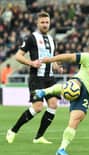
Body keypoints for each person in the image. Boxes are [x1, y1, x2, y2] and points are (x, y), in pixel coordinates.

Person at [6, 11, 62, 144]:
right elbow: (18, 56)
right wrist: (31, 63)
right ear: (37, 23)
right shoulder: (31, 38)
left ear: (50, 23)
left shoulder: (52, 40)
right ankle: (13, 130)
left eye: (47, 22)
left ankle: (39, 137)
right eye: (42, 22)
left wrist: (56, 66)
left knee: (53, 105)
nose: (45, 24)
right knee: (37, 107)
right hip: (36, 77)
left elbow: (51, 57)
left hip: (50, 78)